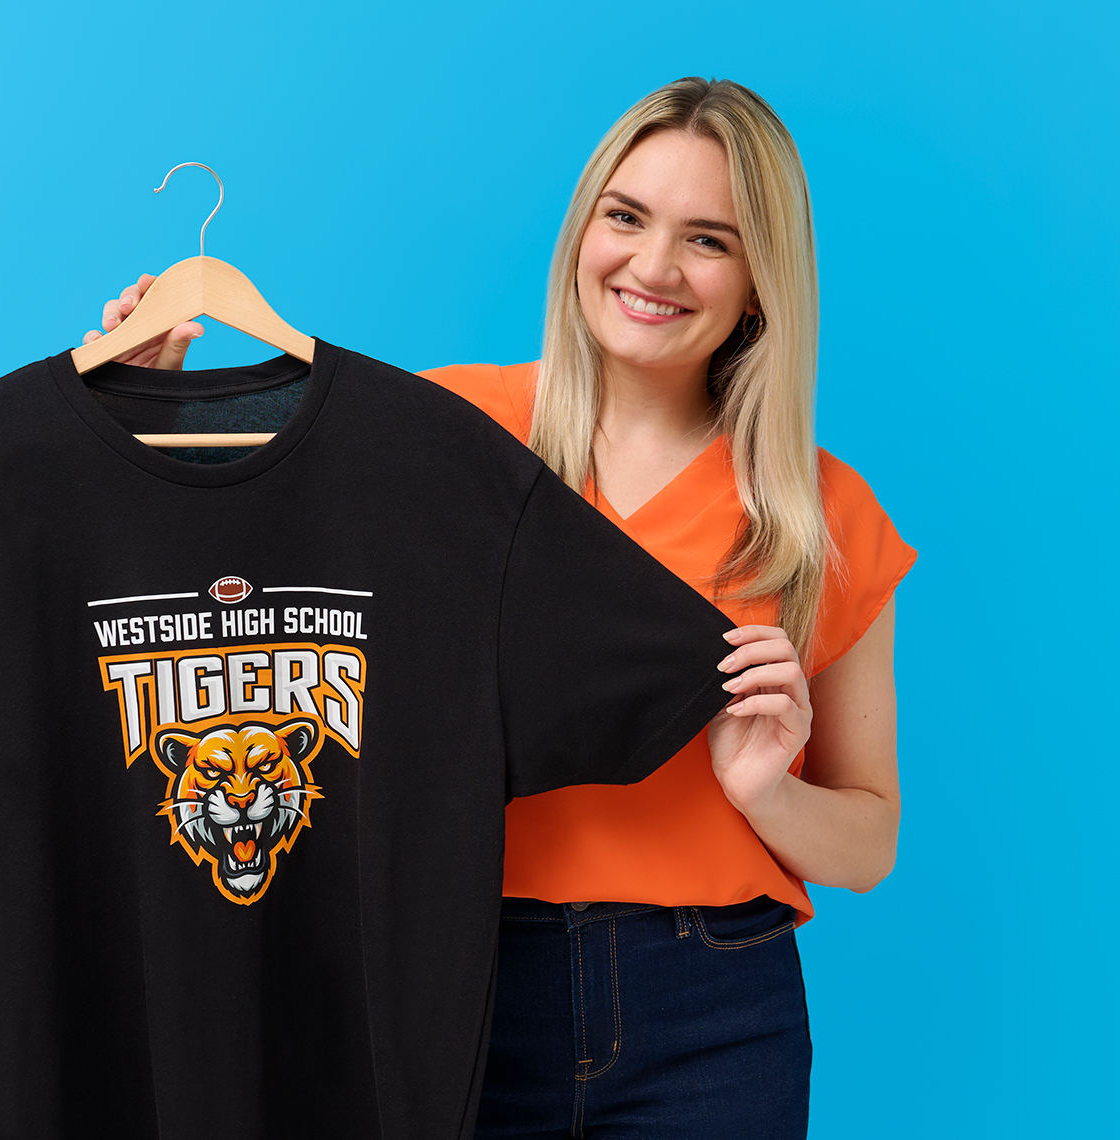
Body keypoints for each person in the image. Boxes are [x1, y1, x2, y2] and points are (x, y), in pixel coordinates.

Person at [81, 77, 911, 1140]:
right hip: (451, 977)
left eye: (709, 239)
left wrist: (765, 796)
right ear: (581, 234)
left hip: (714, 1007)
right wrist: (148, 417)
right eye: (626, 217)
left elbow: (870, 842)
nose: (652, 267)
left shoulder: (820, 511)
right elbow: (232, 587)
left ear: (760, 283)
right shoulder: (438, 431)